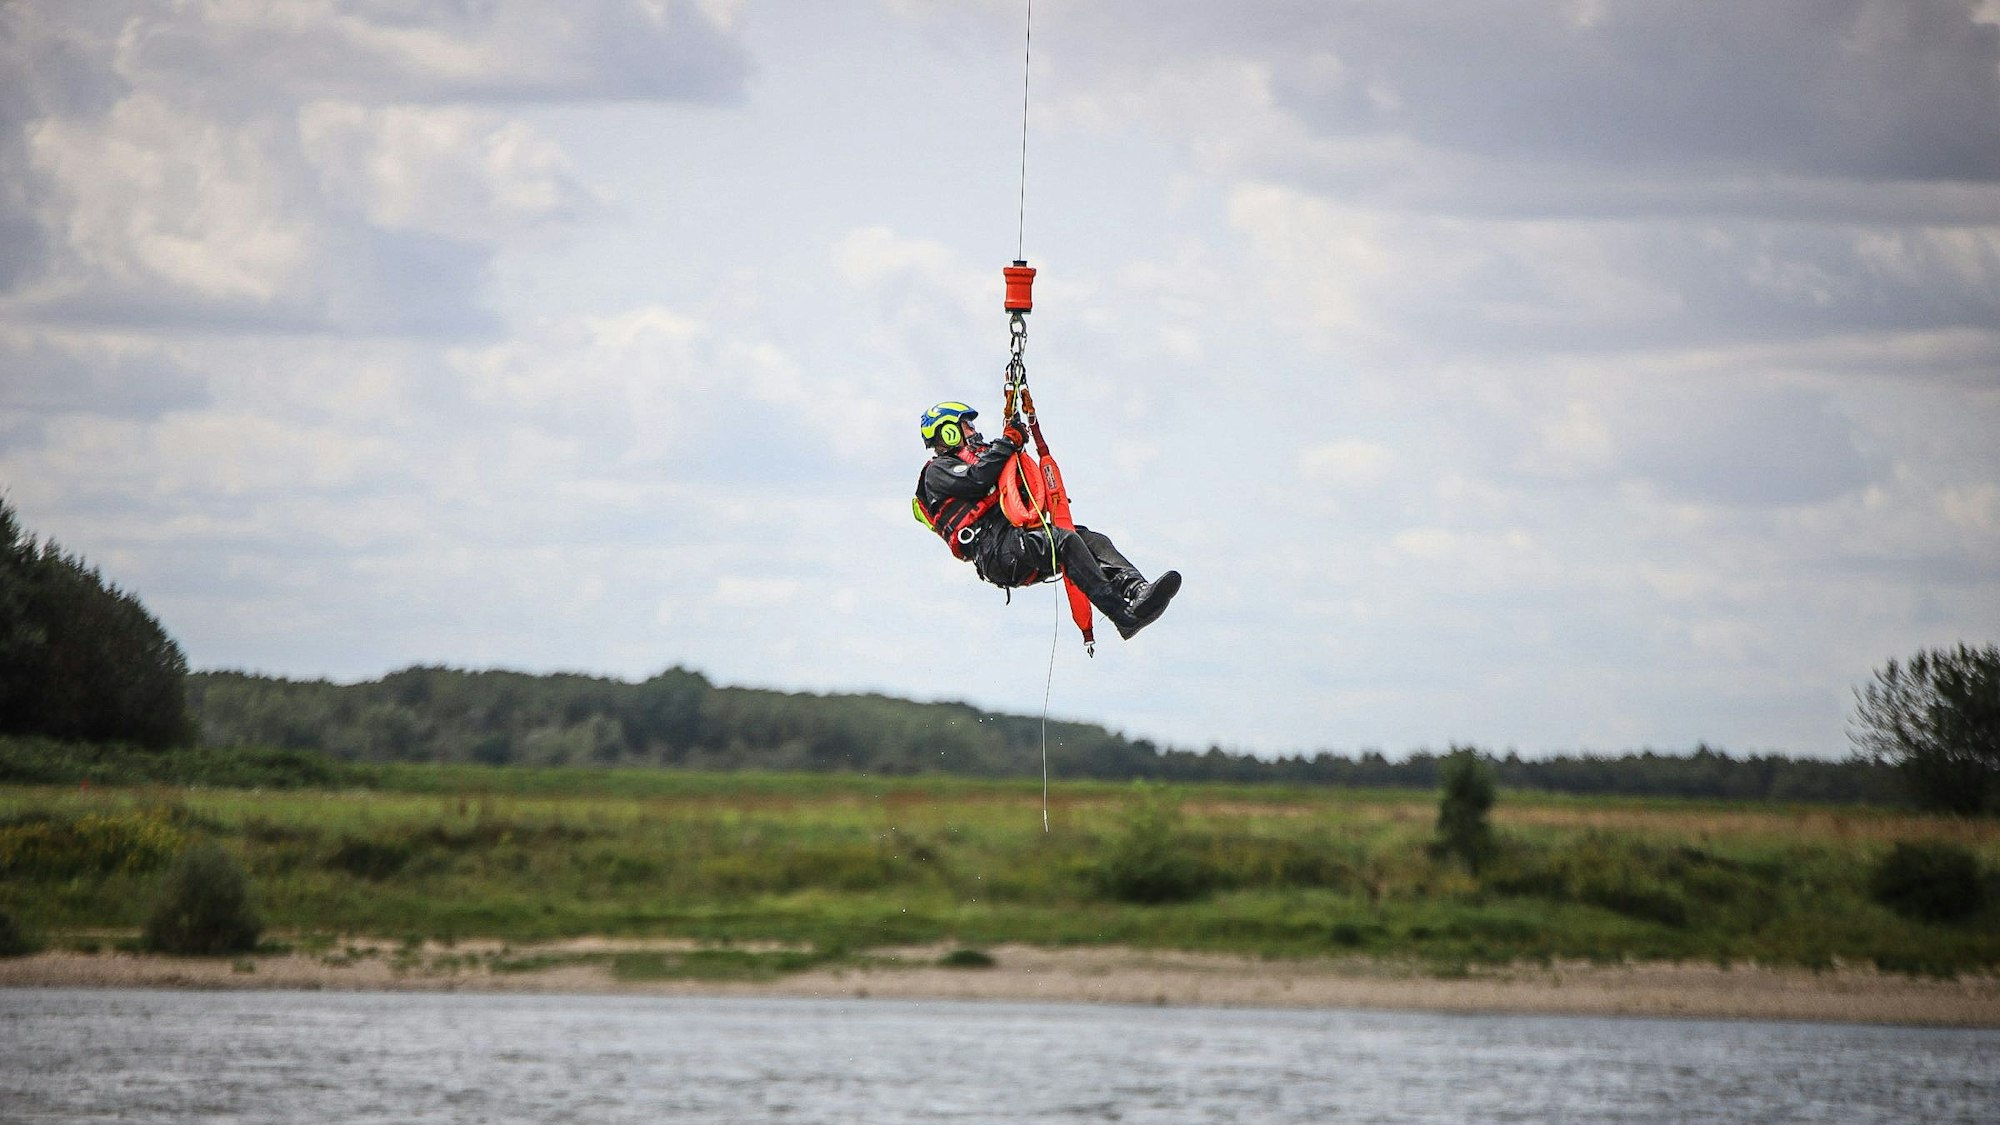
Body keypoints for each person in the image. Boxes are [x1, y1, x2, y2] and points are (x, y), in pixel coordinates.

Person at [913, 400, 1180, 639]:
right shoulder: (938, 471)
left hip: (1016, 540)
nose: (973, 430)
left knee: (1089, 539)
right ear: (947, 431)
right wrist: (1007, 443)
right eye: (967, 425)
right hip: (996, 553)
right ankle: (1122, 615)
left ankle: (1137, 590)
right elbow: (977, 479)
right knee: (1063, 541)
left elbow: (1005, 473)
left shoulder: (984, 455)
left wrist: (1015, 440)